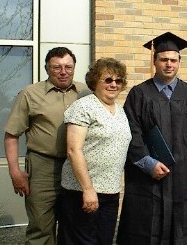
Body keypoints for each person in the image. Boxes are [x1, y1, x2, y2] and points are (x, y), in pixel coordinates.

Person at [116, 32, 187, 245]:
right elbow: (131, 132)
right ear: (155, 61)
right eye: (163, 60)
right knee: (145, 229)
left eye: (173, 60)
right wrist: (147, 162)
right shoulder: (139, 94)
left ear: (179, 62)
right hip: (148, 179)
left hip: (182, 178)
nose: (168, 64)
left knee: (180, 231)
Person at [4, 47, 87, 244]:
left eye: (68, 67)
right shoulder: (29, 94)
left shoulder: (85, 93)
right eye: (57, 67)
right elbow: (11, 135)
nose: (63, 71)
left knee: (75, 226)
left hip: (76, 167)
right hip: (42, 168)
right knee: (41, 228)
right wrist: (15, 172)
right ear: (47, 69)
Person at [58, 58, 131, 244]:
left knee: (103, 240)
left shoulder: (119, 110)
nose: (113, 84)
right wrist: (88, 190)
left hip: (110, 191)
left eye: (118, 80)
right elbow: (74, 150)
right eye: (107, 80)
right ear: (94, 81)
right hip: (82, 191)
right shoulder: (83, 106)